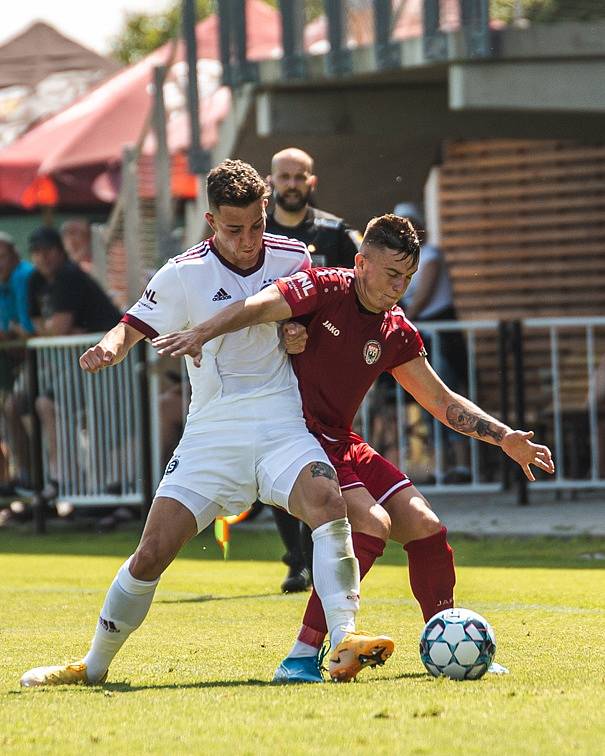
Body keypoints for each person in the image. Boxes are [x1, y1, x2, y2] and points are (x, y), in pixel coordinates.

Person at [19, 160, 393, 689]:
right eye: (233, 229)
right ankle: (92, 666)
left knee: (328, 503)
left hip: (280, 420)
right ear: (212, 221)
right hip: (212, 433)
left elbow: (306, 323)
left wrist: (297, 336)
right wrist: (111, 344)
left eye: (257, 226)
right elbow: (134, 324)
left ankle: (345, 639)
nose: (247, 241)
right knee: (151, 554)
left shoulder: (294, 255)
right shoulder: (183, 272)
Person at [153, 213, 555, 683]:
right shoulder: (324, 287)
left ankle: (442, 642)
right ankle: (303, 655)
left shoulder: (395, 329)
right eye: (390, 274)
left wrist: (504, 437)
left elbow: (442, 402)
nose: (398, 287)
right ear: (361, 262)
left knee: (427, 528)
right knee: (372, 524)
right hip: (293, 436)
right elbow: (255, 306)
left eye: (407, 278)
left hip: (341, 440)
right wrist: (203, 331)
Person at [265, 147, 361, 593]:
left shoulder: (336, 234)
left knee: (324, 459)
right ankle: (296, 561)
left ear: (311, 182)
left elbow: (363, 294)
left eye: (297, 177)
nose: (290, 184)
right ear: (271, 182)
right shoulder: (255, 233)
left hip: (326, 368)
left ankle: (322, 553)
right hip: (270, 367)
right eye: (282, 177)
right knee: (275, 458)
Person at [26, 226, 121, 494]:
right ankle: (66, 480)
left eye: (48, 251)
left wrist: (55, 330)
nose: (42, 258)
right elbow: (46, 328)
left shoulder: (70, 276)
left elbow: (54, 329)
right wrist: (56, 330)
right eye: (36, 252)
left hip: (108, 362)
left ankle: (67, 481)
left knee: (51, 404)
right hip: (78, 360)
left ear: (60, 252)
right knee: (37, 404)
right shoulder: (36, 280)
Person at [396, 202, 470, 482]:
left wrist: (399, 320)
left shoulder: (431, 255)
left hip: (442, 336)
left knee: (449, 395)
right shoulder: (404, 260)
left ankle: (462, 464)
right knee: (427, 401)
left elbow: (423, 296)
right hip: (423, 335)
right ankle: (439, 467)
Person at [0, 233, 35, 495]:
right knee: (12, 408)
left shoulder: (23, 276)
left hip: (40, 360)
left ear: (14, 256)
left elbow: (27, 331)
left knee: (16, 407)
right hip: (20, 362)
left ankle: (31, 478)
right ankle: (24, 477)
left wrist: (15, 333)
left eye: (2, 257)